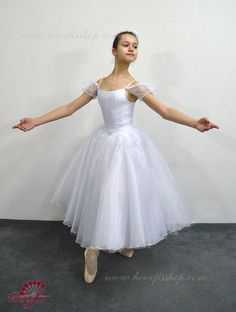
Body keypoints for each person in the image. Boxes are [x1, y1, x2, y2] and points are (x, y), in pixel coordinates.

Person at [12, 30, 219, 284]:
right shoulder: (99, 85)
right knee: (108, 194)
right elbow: (69, 108)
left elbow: (165, 111)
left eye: (135, 46)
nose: (131, 49)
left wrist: (194, 123)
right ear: (114, 51)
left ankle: (120, 240)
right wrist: (36, 121)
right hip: (109, 145)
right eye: (125, 44)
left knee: (125, 194)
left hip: (125, 145)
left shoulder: (135, 86)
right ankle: (93, 249)